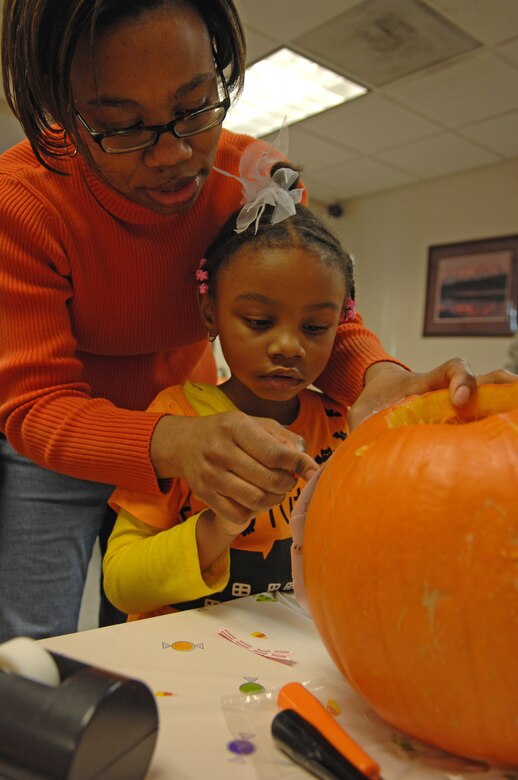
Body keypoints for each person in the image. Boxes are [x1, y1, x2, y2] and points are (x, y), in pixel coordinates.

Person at [0, 0, 508, 642]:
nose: (175, 154)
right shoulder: (21, 203)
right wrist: (177, 442)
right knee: (31, 642)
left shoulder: (253, 181)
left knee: (143, 615)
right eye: (122, 126)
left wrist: (379, 381)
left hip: (194, 418)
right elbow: (36, 405)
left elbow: (312, 305)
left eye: (195, 106)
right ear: (61, 113)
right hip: (67, 441)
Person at [103, 165, 355, 618]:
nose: (288, 347)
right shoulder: (175, 418)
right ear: (210, 314)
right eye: (259, 321)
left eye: (315, 327)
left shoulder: (343, 422)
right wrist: (222, 526)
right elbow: (121, 584)